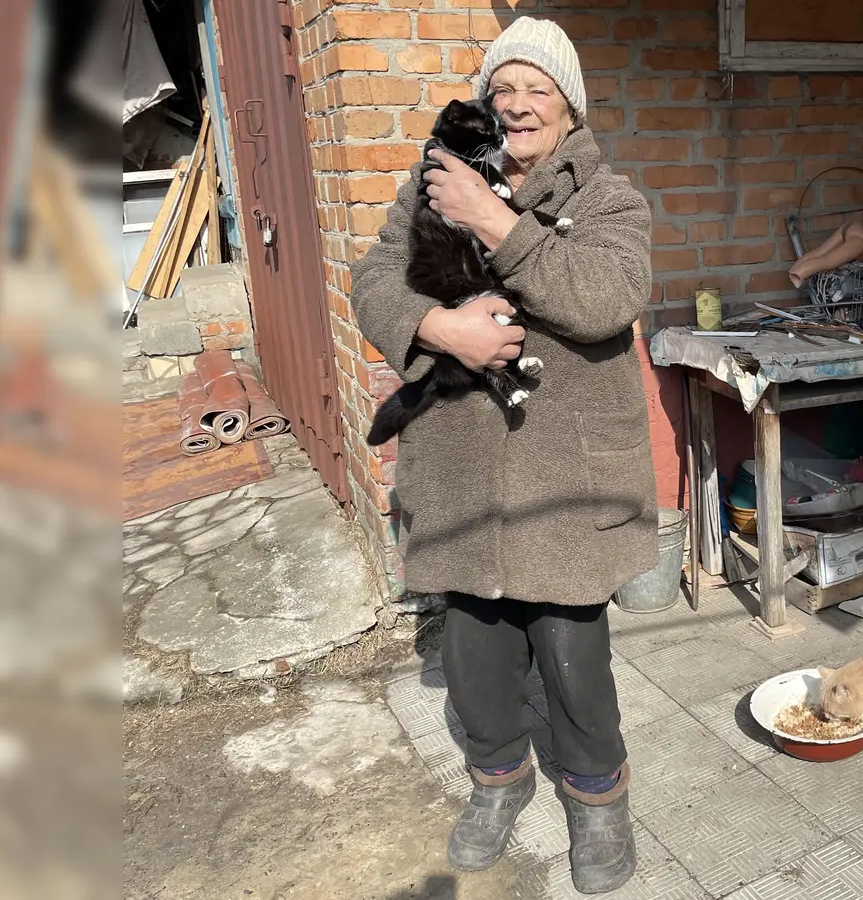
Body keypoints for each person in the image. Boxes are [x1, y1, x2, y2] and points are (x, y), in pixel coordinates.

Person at [348, 16, 656, 895]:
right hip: (458, 467)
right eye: (504, 89)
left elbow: (603, 299)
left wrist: (495, 221)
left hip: (563, 474)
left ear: (569, 109)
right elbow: (375, 278)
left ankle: (599, 795)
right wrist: (435, 325)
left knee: (570, 651)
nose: (518, 106)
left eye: (539, 91)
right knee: (475, 654)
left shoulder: (610, 199)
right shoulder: (434, 180)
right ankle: (499, 777)